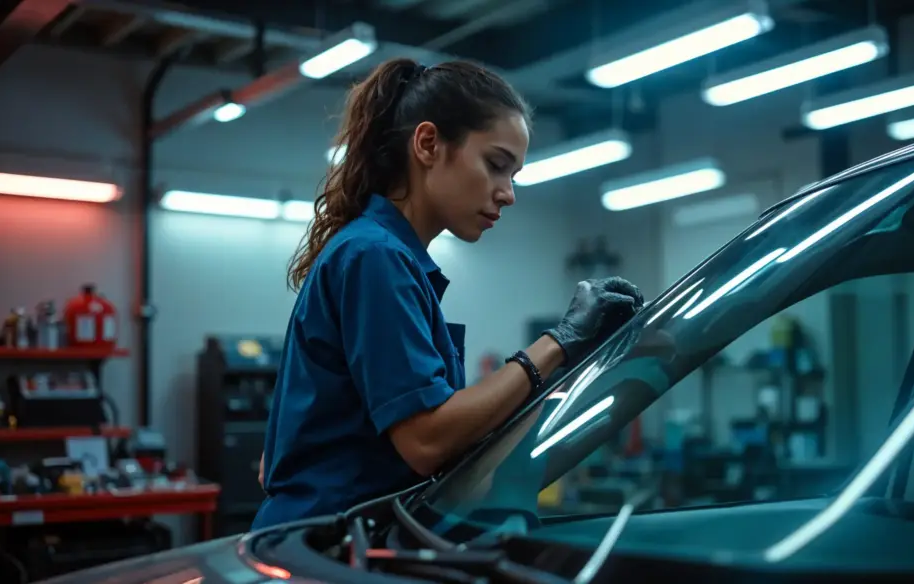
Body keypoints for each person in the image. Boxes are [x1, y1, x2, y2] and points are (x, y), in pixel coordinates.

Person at [251, 57, 644, 530]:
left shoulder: (384, 255)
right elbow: (426, 442)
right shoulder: (375, 257)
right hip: (324, 551)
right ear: (428, 144)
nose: (508, 193)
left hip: (340, 542)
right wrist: (558, 342)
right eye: (496, 165)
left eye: (514, 175)